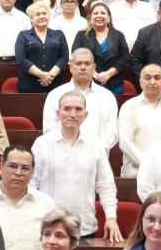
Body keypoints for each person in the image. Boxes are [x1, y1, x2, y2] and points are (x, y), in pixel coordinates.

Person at [32, 91, 122, 241]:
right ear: (58, 113)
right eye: (67, 109)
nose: (73, 114)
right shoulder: (41, 144)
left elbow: (106, 186)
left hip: (83, 229)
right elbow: (31, 185)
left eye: (78, 109)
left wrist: (111, 218)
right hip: (48, 227)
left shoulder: (96, 146)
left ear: (85, 115)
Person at [42, 49, 120, 148]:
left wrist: (94, 150)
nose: (83, 67)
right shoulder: (55, 95)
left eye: (87, 64)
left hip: (97, 157)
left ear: (94, 67)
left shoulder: (107, 96)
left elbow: (112, 132)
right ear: (70, 67)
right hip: (62, 156)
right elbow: (50, 129)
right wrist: (69, 149)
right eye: (78, 64)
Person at [118, 65, 161, 177]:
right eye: (148, 78)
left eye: (157, 78)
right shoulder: (128, 107)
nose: (152, 82)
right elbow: (125, 142)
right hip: (135, 174)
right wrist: (148, 165)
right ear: (140, 82)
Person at [15, 1, 68, 95]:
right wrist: (41, 75)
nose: (42, 17)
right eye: (37, 14)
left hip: (53, 83)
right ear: (31, 18)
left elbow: (64, 57)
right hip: (29, 85)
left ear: (49, 16)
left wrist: (49, 76)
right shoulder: (23, 35)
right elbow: (21, 59)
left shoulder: (59, 34)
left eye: (44, 13)